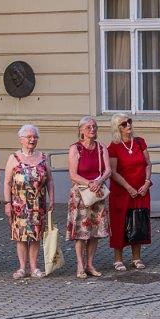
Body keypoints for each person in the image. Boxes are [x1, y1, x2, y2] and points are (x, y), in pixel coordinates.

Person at [4, 124, 53, 280]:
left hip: (38, 204)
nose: (32, 140)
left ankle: (34, 267)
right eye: (29, 137)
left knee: (36, 236)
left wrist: (52, 198)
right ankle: (22, 268)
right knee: (21, 236)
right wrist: (7, 203)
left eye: (35, 137)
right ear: (21, 140)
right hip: (19, 204)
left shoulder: (43, 157)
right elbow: (7, 182)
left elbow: (50, 181)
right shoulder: (14, 158)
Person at [67, 116, 111, 279]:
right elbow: (72, 174)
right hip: (80, 194)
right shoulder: (75, 148)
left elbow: (108, 170)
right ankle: (80, 265)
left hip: (97, 194)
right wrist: (89, 183)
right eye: (88, 127)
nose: (92, 129)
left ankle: (90, 264)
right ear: (81, 130)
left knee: (95, 232)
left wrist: (98, 181)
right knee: (81, 232)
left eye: (94, 126)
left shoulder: (101, 148)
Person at [107, 113, 152, 271]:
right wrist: (128, 187)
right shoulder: (113, 146)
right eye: (124, 124)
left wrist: (147, 182)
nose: (128, 126)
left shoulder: (140, 142)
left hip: (141, 190)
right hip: (122, 192)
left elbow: (147, 164)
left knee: (139, 221)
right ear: (117, 128)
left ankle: (136, 257)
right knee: (120, 222)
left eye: (129, 122)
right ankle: (118, 258)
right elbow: (113, 171)